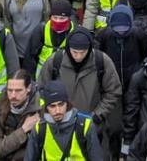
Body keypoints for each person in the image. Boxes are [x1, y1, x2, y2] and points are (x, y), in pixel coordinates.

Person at [36, 27, 122, 156]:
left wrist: (97, 115)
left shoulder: (102, 61)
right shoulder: (55, 61)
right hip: (59, 126)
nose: (79, 56)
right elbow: (41, 89)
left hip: (91, 126)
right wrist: (52, 112)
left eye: (83, 52)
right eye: (75, 52)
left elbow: (113, 91)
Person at [23, 79, 106, 161]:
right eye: (52, 106)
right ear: (46, 107)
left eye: (61, 104)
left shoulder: (85, 125)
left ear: (67, 103)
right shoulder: (39, 128)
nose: (57, 111)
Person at [0, 70, 42, 161]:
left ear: (28, 88)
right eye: (10, 90)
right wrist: (23, 130)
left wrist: (7, 142)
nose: (13, 95)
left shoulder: (40, 108)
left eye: (18, 90)